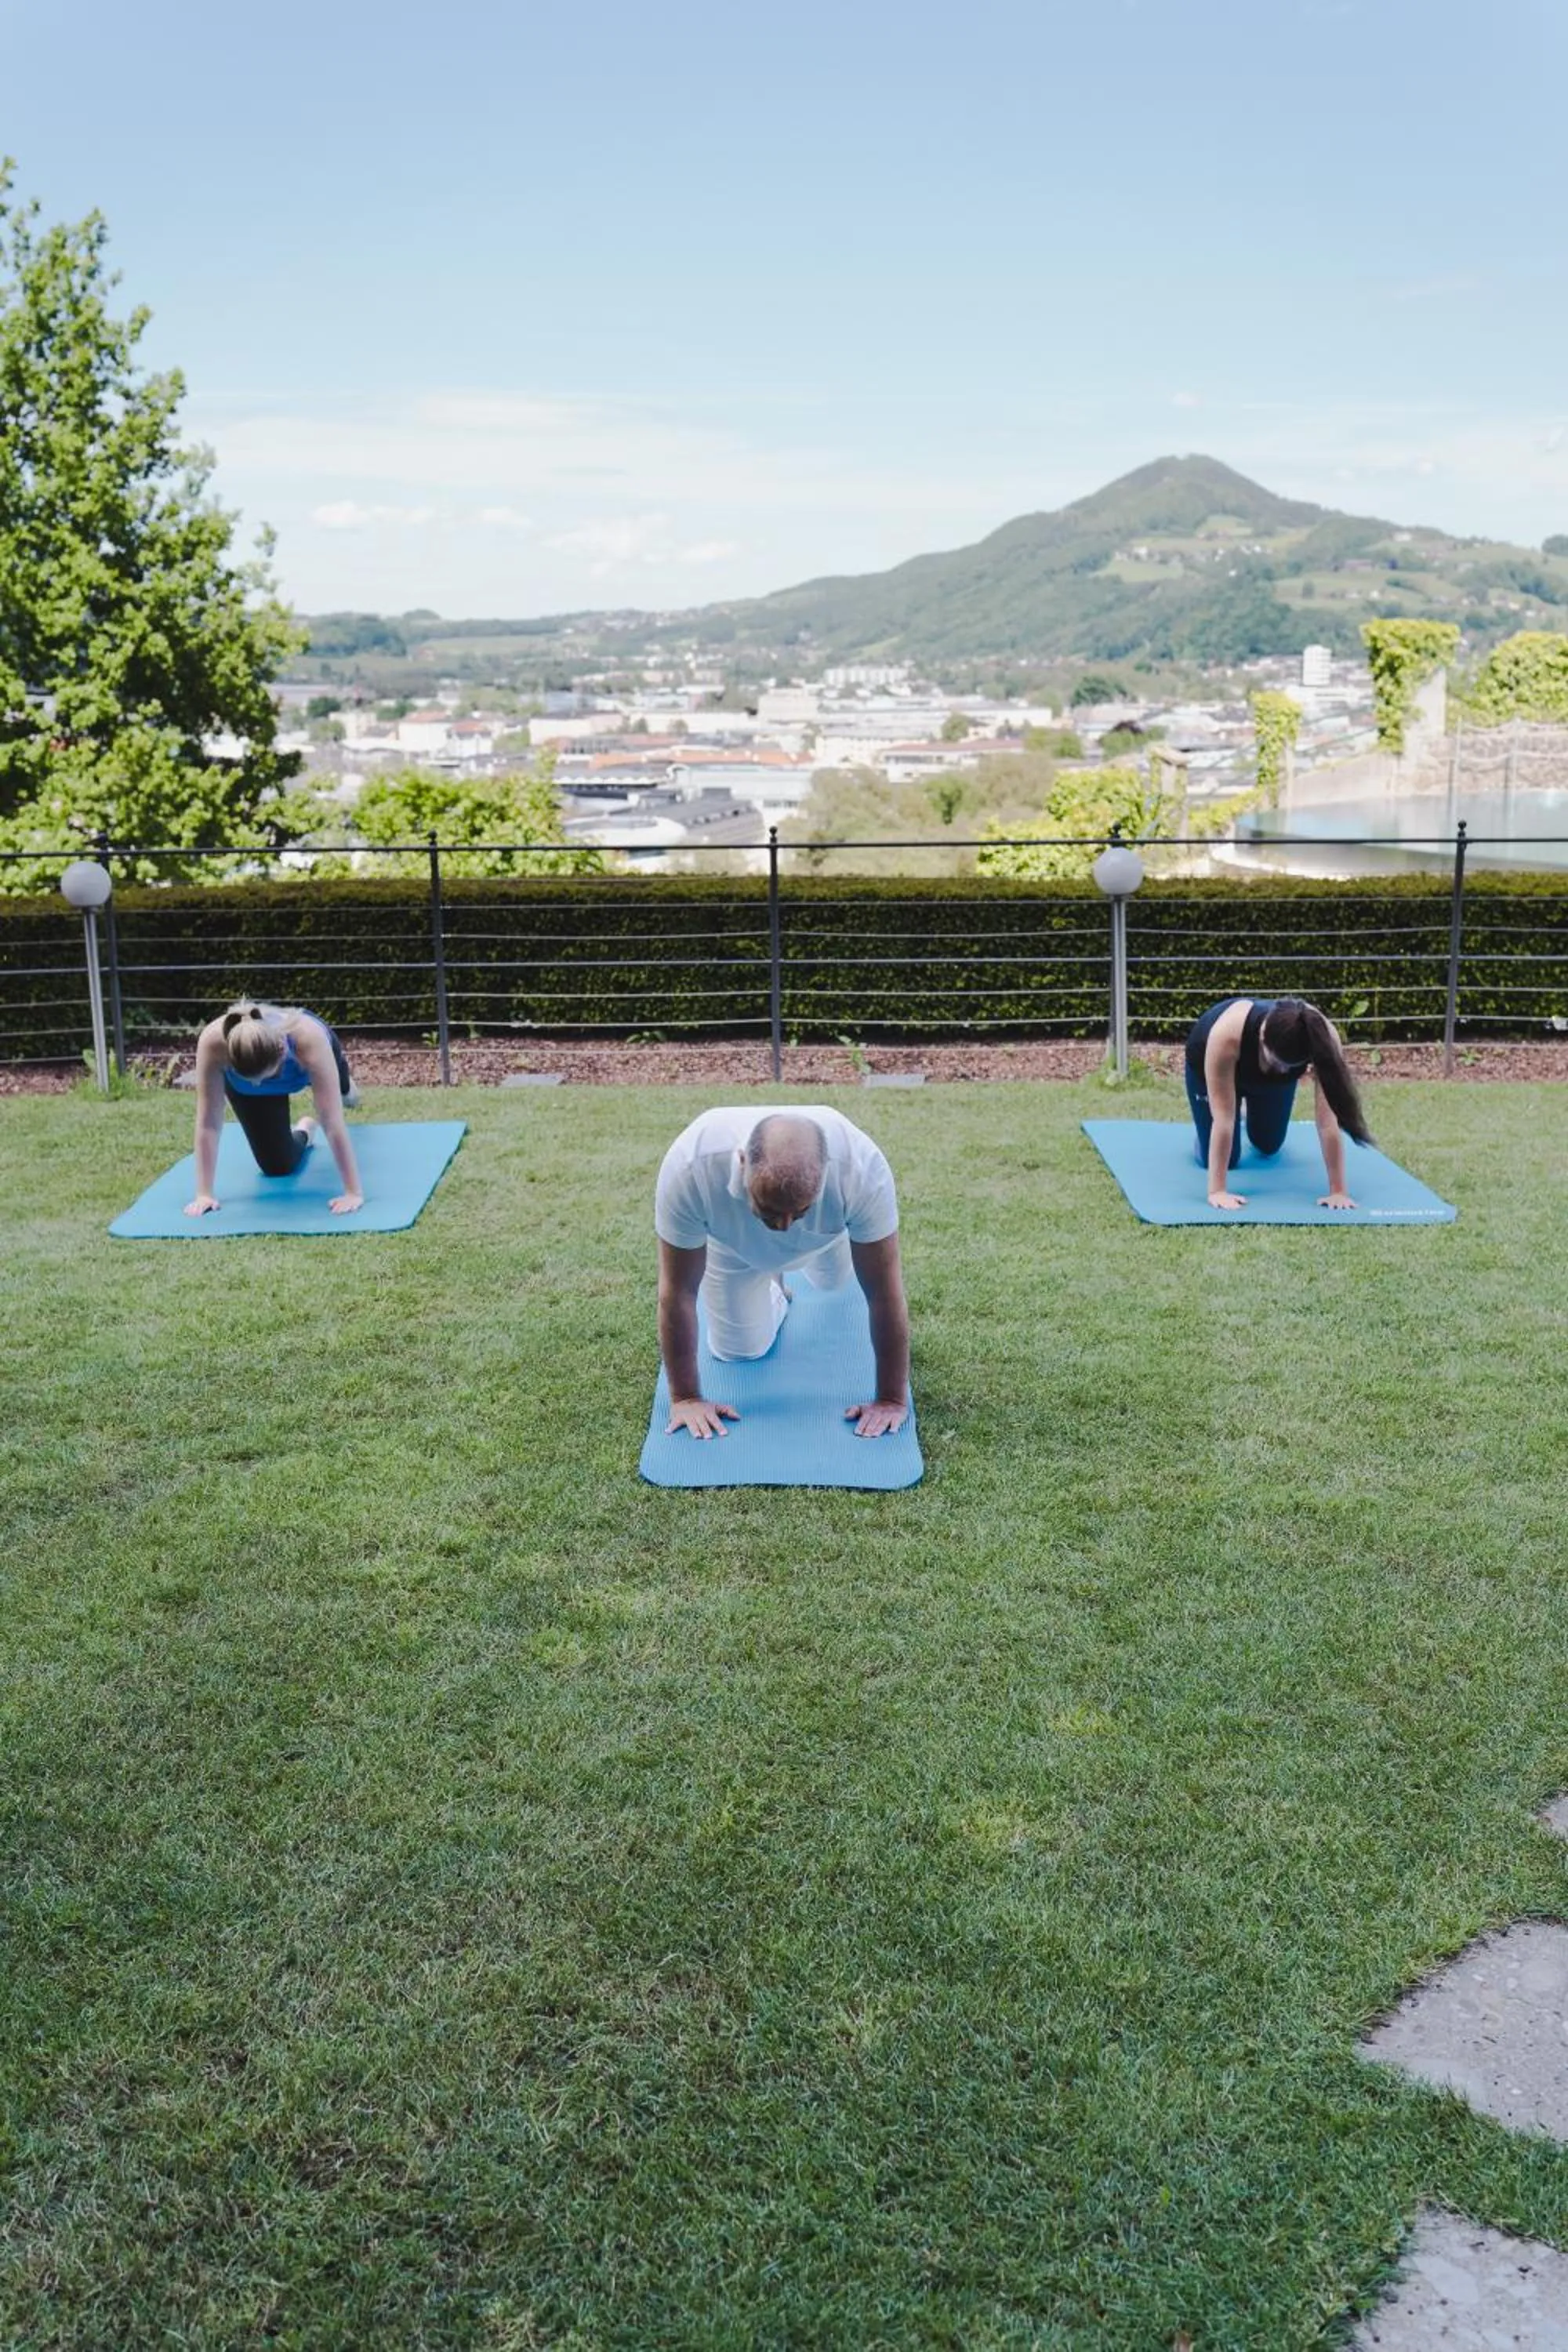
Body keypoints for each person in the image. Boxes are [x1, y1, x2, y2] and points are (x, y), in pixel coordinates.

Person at [655, 1106, 910, 1439]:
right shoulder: (690, 1169)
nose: (783, 1226)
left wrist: (891, 1399)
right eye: (769, 1209)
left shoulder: (862, 1171)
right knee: (737, 1350)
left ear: (826, 1172)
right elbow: (678, 1292)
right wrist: (685, 1398)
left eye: (799, 1212)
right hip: (732, 1244)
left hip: (825, 1237)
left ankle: (801, 1228)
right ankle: (774, 1285)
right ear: (742, 1162)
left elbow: (884, 1293)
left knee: (832, 1282)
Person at [1184, 994, 1371, 1212]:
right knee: (1226, 1158)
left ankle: (1247, 1109)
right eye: (1277, 1063)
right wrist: (1217, 1191)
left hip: (1267, 1081)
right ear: (1262, 1036)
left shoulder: (1321, 1037)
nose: (1283, 1071)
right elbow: (1223, 1119)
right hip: (1208, 1065)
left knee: (1269, 1145)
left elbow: (1328, 1122)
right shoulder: (1226, 1033)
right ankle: (1207, 1127)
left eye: (1290, 1067)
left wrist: (1338, 1191)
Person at [185, 999, 365, 1218]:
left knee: (345, 1094)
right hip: (265, 1062)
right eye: (251, 1081)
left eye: (265, 1079)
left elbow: (332, 1121)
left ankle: (345, 1086)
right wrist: (204, 1194)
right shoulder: (213, 1044)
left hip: (310, 1058)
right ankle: (305, 1129)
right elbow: (209, 1123)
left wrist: (353, 1192)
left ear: (281, 1052)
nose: (258, 1086)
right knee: (278, 1166)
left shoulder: (309, 1039)